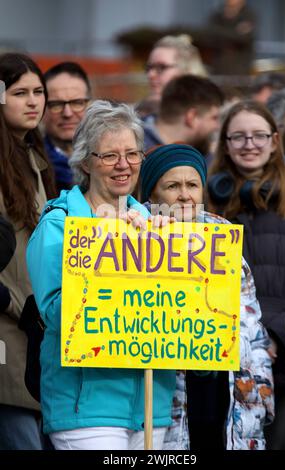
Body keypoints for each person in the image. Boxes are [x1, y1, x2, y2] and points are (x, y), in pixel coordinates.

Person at [26, 100, 187, 451]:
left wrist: (170, 245)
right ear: (85, 161)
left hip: (151, 407)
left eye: (132, 154)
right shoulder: (59, 225)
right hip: (86, 410)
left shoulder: (154, 225)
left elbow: (179, 313)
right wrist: (100, 245)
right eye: (109, 156)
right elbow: (56, 316)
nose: (123, 165)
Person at [140, 143, 274, 450]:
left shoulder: (223, 236)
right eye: (172, 186)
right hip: (169, 392)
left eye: (192, 185)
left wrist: (260, 395)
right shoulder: (134, 240)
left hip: (225, 389)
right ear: (151, 193)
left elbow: (251, 324)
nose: (185, 195)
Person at [206, 100, 285, 449]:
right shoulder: (205, 203)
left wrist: (271, 334)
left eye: (259, 136)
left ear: (275, 141)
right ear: (226, 144)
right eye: (239, 137)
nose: (249, 144)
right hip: (220, 355)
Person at [0, 52, 56, 450]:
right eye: (21, 93)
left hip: (34, 323)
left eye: (38, 91)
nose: (33, 101)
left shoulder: (35, 157)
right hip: (5, 323)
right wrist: (7, 299)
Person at [143, 74, 224, 162]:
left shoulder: (205, 156)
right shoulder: (135, 150)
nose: (217, 126)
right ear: (192, 117)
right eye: (214, 118)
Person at [43, 62, 92, 192]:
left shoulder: (113, 160)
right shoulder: (25, 165)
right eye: (56, 104)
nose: (67, 113)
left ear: (90, 104)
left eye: (77, 103)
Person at [137, 34, 208, 118]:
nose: (151, 74)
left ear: (187, 70)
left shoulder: (206, 116)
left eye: (161, 67)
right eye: (149, 67)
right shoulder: (141, 112)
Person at [205, 0, 256, 75]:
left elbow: (243, 38)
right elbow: (208, 35)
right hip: (218, 67)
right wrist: (235, 32)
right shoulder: (217, 15)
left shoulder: (249, 15)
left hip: (240, 69)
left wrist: (220, 32)